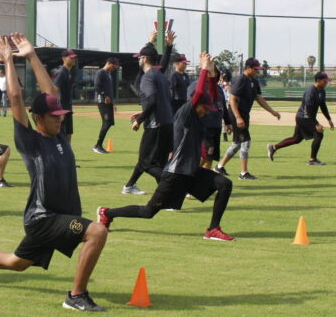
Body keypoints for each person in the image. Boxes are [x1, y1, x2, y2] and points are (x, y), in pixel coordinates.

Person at [0, 33, 110, 311]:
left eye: (61, 117)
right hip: (46, 218)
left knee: (19, 263)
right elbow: (15, 96)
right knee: (96, 232)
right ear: (38, 119)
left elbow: (52, 94)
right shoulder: (30, 141)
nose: (60, 121)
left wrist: (32, 56)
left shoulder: (58, 137)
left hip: (55, 216)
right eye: (54, 117)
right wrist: (10, 61)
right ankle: (76, 296)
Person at [98, 52, 236, 241]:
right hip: (176, 174)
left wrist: (212, 75)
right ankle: (107, 213)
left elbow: (210, 97)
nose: (207, 111)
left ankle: (213, 229)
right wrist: (204, 69)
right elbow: (198, 96)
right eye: (205, 108)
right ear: (195, 106)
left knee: (224, 184)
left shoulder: (198, 111)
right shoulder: (187, 113)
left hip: (191, 172)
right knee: (148, 211)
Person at [123, 29, 176, 195]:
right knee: (154, 162)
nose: (137, 60)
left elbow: (152, 101)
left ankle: (171, 192)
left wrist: (139, 119)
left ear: (144, 59)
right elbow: (155, 100)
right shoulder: (159, 75)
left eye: (139, 58)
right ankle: (130, 186)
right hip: (166, 122)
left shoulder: (148, 77)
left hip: (156, 124)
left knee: (147, 163)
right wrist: (162, 45)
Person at [216, 57, 281, 180]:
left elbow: (259, 98)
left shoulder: (254, 81)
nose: (258, 71)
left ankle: (219, 167)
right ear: (248, 68)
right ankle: (243, 173)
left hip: (244, 114)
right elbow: (232, 99)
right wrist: (238, 117)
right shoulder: (240, 79)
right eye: (255, 69)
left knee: (236, 144)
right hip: (237, 114)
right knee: (246, 141)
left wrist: (272, 111)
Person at [267, 71, 335, 165]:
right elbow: (309, 110)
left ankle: (273, 147)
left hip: (306, 118)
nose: (326, 82)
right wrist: (316, 124)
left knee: (296, 139)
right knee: (319, 134)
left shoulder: (321, 91)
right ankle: (312, 160)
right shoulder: (310, 91)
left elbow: (323, 106)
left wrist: (329, 119)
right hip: (304, 118)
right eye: (325, 81)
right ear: (318, 80)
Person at [187, 63, 232, 169]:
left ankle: (203, 183)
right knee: (205, 155)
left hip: (216, 126)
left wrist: (228, 121)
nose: (214, 74)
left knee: (210, 157)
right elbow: (190, 105)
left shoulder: (218, 88)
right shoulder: (195, 86)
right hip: (203, 126)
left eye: (215, 72)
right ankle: (188, 177)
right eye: (211, 71)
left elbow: (222, 106)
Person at [92, 57, 119, 154]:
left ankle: (99, 145)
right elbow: (97, 86)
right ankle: (98, 145)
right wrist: (105, 96)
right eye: (113, 66)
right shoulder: (101, 72)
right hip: (102, 101)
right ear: (108, 63)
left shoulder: (108, 74)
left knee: (109, 122)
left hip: (108, 102)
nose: (114, 68)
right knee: (107, 122)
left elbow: (109, 89)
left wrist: (113, 103)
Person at [52, 48, 77, 140]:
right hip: (62, 108)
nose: (73, 59)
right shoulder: (61, 72)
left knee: (68, 133)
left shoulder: (68, 72)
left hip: (68, 107)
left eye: (74, 57)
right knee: (61, 135)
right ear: (64, 58)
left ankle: (67, 152)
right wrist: (59, 110)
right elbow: (55, 90)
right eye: (70, 57)